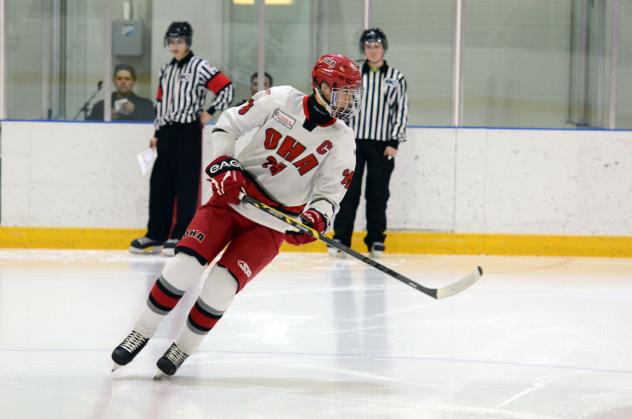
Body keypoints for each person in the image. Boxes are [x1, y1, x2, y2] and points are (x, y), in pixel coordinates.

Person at [111, 54, 363, 377]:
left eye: (351, 93)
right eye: (343, 91)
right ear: (321, 86)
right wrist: (225, 161)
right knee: (182, 267)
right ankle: (141, 331)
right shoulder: (281, 98)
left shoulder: (343, 140)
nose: (348, 101)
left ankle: (182, 348)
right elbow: (229, 122)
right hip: (232, 199)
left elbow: (330, 194)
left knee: (221, 286)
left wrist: (316, 218)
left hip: (273, 224)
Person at [129, 22, 234, 256]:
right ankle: (156, 234)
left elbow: (226, 87)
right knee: (160, 183)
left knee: (186, 184)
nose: (175, 46)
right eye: (172, 41)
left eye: (180, 41)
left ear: (188, 42)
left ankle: (181, 234)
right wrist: (156, 133)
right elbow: (160, 102)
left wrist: (209, 113)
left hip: (188, 130)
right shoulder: (165, 70)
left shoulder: (199, 66)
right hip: (166, 132)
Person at [330, 28, 408, 259]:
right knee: (349, 193)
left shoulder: (396, 77)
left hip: (383, 145)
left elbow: (401, 111)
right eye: (368, 46)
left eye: (376, 46)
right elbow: (341, 105)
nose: (373, 50)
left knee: (377, 194)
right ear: (363, 49)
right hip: (353, 143)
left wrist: (394, 141)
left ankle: (375, 239)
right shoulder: (352, 75)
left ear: (383, 47)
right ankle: (341, 237)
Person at [87, 64, 154, 121]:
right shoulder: (101, 106)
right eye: (119, 79)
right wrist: (106, 118)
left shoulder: (145, 104)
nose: (123, 82)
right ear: (114, 81)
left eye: (127, 79)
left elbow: (155, 124)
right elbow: (89, 128)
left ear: (133, 81)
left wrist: (134, 110)